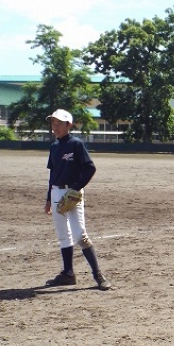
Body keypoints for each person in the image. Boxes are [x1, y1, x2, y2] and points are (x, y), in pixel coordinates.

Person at [43, 109, 113, 291]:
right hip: (56, 192)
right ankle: (68, 274)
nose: (55, 127)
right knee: (63, 236)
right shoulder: (54, 146)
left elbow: (90, 168)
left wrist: (76, 188)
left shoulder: (76, 144)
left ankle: (98, 275)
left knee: (80, 235)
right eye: (53, 123)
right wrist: (48, 198)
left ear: (69, 125)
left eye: (59, 123)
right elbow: (52, 174)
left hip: (72, 194)